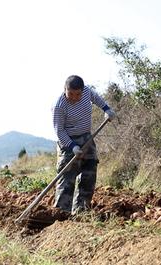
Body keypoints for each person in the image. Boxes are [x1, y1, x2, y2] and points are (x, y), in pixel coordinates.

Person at [52, 75, 116, 214]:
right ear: (65, 90)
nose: (74, 97)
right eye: (71, 94)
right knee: (67, 178)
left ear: (82, 90)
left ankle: (81, 211)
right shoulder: (59, 105)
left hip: (87, 138)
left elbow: (96, 98)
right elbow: (59, 131)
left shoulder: (87, 92)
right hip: (68, 142)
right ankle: (61, 213)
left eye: (78, 94)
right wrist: (72, 146)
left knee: (89, 173)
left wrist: (106, 109)